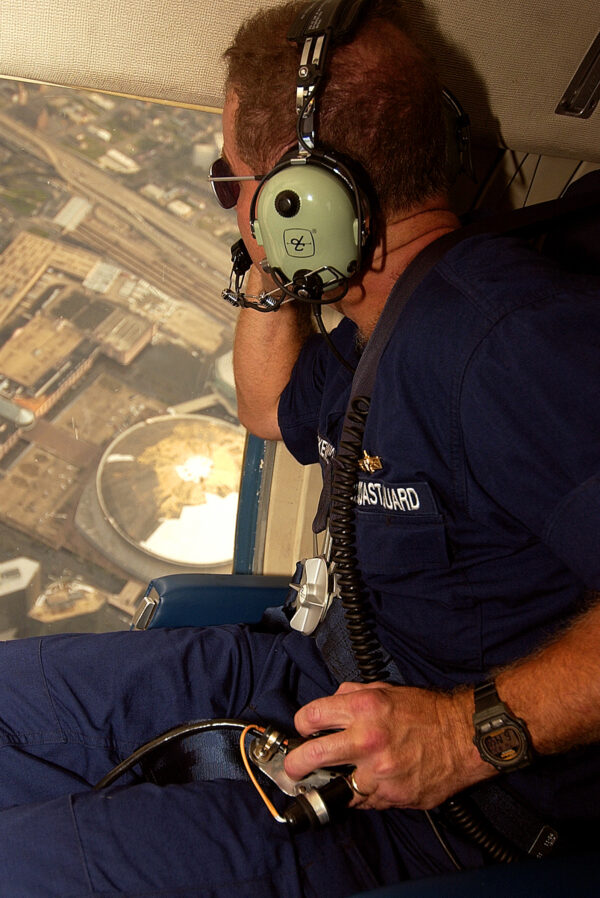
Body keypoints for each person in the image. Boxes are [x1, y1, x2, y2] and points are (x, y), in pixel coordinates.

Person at [0, 1, 598, 895]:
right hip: (307, 673)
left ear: (303, 200)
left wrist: (463, 734)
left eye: (234, 182)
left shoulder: (510, 342)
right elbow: (271, 408)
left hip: (434, 801)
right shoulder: (387, 324)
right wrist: (272, 262)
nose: (235, 207)